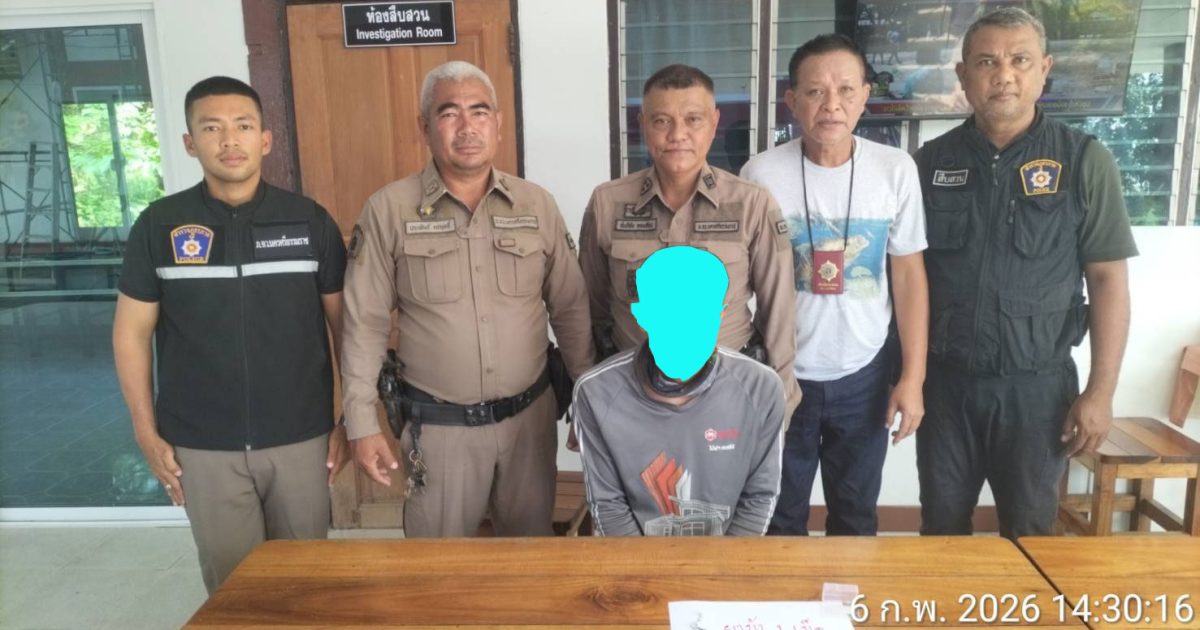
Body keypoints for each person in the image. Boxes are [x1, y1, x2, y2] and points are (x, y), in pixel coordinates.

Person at [112, 76, 348, 593]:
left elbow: (345, 330)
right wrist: (145, 431)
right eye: (211, 128)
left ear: (265, 139)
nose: (229, 140)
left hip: (300, 437)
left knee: (304, 585)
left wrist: (348, 419)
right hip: (202, 445)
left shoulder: (309, 222)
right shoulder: (159, 226)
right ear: (189, 142)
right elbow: (130, 335)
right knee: (233, 591)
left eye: (242, 126)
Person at [340, 61, 593, 537]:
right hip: (440, 432)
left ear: (497, 122)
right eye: (449, 113)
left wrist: (588, 400)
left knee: (530, 558)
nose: (467, 126)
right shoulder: (388, 209)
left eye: (479, 111)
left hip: (528, 425)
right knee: (439, 568)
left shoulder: (536, 204)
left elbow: (571, 309)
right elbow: (364, 323)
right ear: (425, 127)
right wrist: (360, 421)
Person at [913, 7, 1136, 538]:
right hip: (946, 388)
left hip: (1037, 393)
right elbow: (907, 280)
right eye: (986, 62)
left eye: (1020, 60)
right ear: (963, 75)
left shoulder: (1084, 160)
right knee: (940, 530)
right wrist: (906, 376)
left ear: (1044, 70)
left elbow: (1108, 280)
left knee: (1032, 535)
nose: (1004, 75)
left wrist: (1101, 392)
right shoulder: (927, 164)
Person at [740, 34, 929, 536]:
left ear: (865, 95)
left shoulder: (895, 170)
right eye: (815, 91)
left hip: (864, 373)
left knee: (856, 516)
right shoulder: (760, 174)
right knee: (777, 517)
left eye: (846, 89)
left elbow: (909, 276)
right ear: (792, 99)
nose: (831, 105)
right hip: (783, 373)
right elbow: (741, 279)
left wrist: (912, 379)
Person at [579, 64, 800, 415]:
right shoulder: (607, 203)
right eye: (661, 121)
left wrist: (779, 405)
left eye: (693, 119)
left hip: (727, 395)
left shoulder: (751, 204)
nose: (677, 134)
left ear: (714, 123)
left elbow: (779, 314)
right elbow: (591, 309)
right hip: (632, 396)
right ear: (643, 125)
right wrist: (591, 399)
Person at [574, 246, 785, 536]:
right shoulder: (596, 393)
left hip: (729, 554)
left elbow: (759, 497)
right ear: (641, 315)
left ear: (721, 314)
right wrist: (645, 565)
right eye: (669, 315)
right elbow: (608, 505)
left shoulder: (761, 388)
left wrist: (726, 561)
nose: (684, 329)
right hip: (634, 554)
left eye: (697, 315)